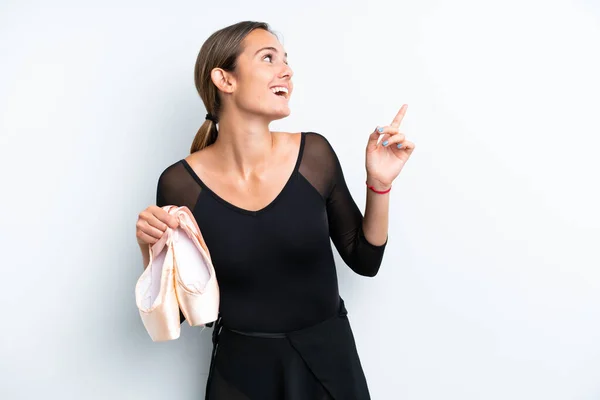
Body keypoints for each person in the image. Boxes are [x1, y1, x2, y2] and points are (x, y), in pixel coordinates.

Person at [135, 20, 415, 400]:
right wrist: (148, 248)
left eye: (286, 60)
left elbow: (365, 260)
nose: (287, 70)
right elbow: (181, 313)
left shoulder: (314, 156)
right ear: (225, 79)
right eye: (268, 58)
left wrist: (379, 183)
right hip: (240, 376)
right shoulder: (180, 184)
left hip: (328, 368)